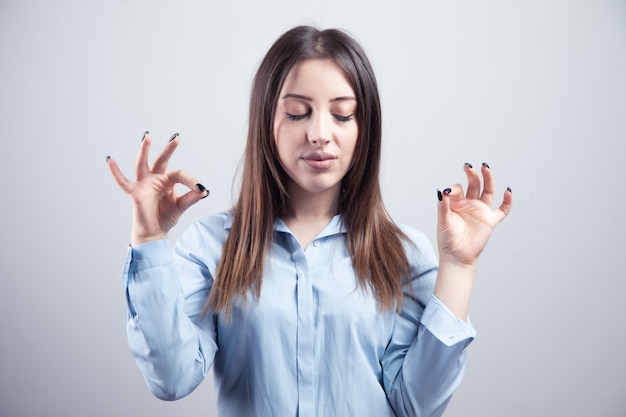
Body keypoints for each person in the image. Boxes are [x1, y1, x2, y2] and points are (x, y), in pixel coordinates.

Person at [106, 25, 512, 417]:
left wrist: (459, 267)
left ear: (364, 128)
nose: (319, 133)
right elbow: (171, 379)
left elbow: (417, 405)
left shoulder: (404, 253)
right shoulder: (210, 247)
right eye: (298, 113)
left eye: (343, 115)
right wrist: (149, 237)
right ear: (266, 122)